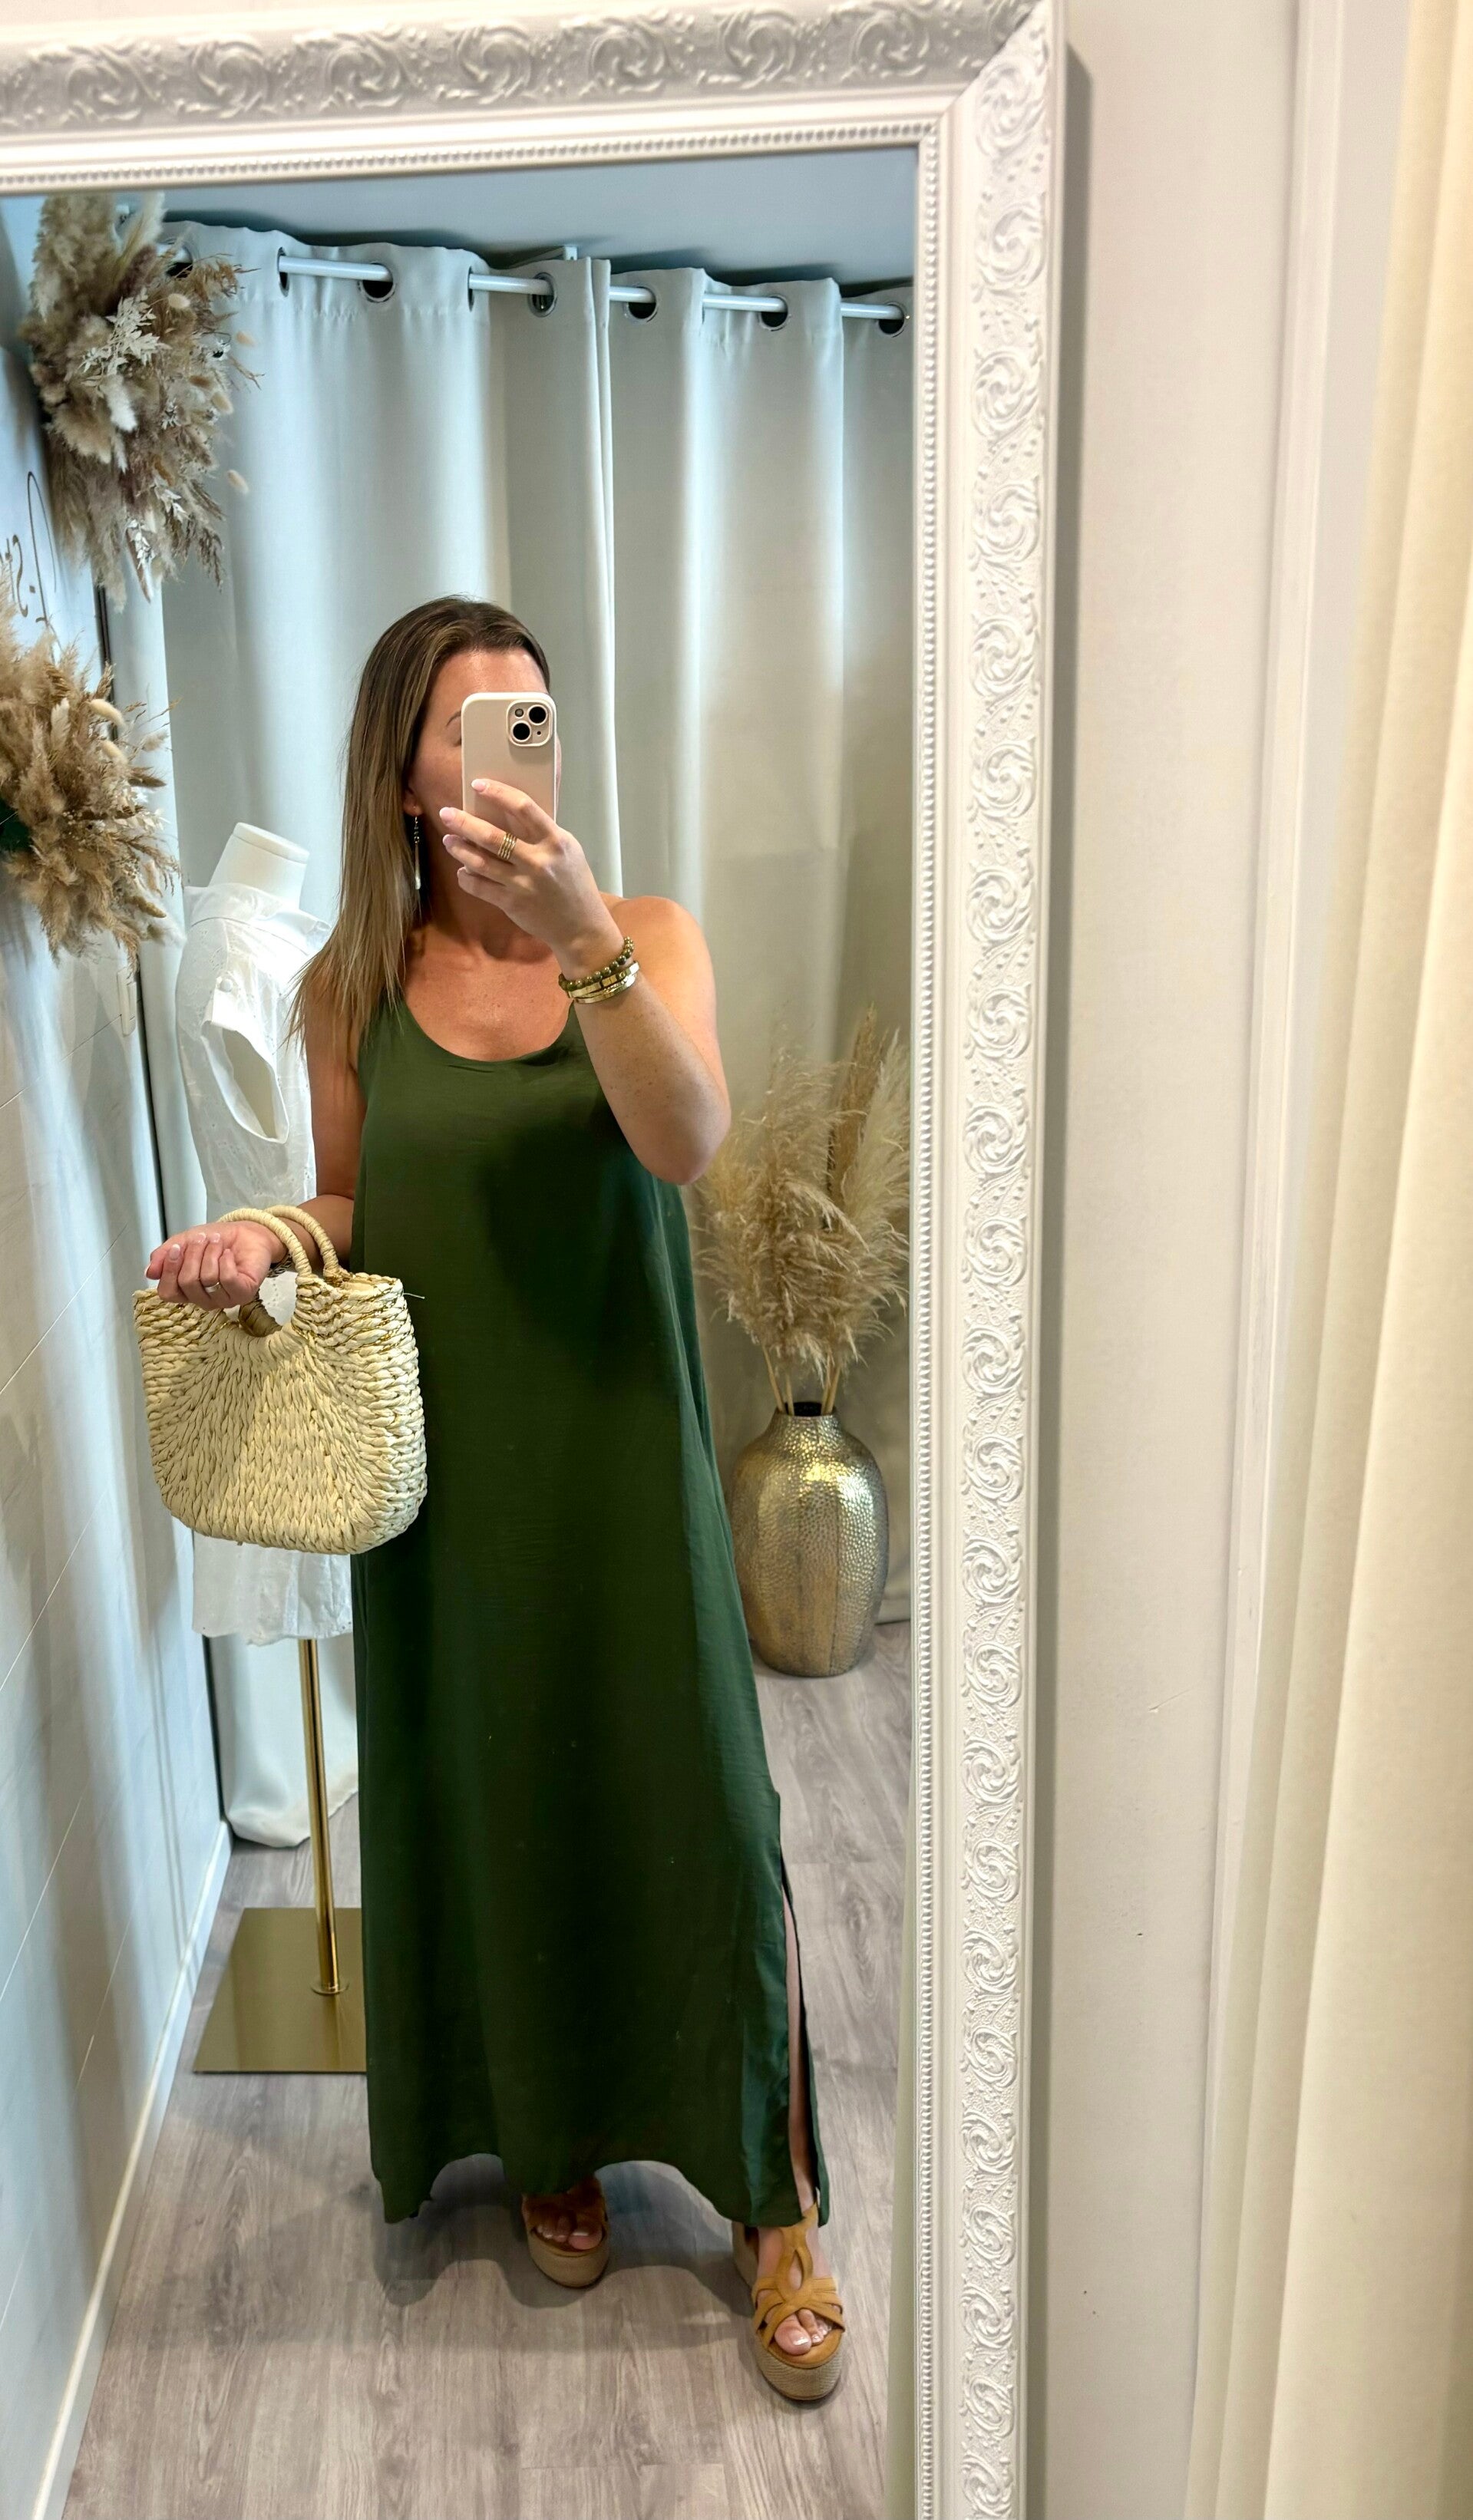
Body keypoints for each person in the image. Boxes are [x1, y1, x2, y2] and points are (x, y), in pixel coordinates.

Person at [145, 595, 846, 2400]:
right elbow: (361, 1200)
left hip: (623, 1446)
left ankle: (774, 2197)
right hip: (454, 1478)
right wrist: (268, 1236)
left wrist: (586, 942)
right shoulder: (349, 989)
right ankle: (550, 2135)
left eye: (533, 720)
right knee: (506, 1789)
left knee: (710, 1797)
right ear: (404, 775)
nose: (509, 757)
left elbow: (684, 1139)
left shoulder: (648, 932)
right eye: (471, 730)